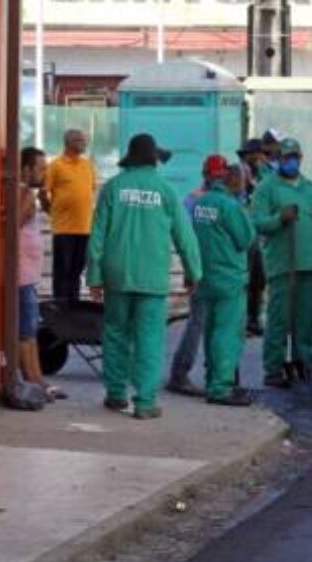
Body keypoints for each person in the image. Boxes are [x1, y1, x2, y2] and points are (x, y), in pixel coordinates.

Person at [87, 134, 202, 420]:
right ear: (153, 160)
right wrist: (193, 272)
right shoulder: (166, 191)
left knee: (115, 335)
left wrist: (94, 276)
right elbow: (185, 237)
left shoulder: (113, 188)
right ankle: (145, 402)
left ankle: (115, 395)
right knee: (149, 339)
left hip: (117, 275)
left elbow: (97, 235)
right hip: (152, 277)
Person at [253, 138, 312, 389]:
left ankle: (304, 364)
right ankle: (274, 369)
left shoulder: (311, 190)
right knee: (279, 320)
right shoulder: (266, 188)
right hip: (282, 265)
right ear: (278, 159)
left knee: (305, 321)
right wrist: (279, 218)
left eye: (295, 157)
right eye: (286, 157)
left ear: (300, 158)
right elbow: (256, 223)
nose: (291, 161)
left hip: (308, 265)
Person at [190, 157, 258, 406]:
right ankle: (221, 388)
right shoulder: (230, 206)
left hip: (206, 277)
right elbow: (245, 239)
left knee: (211, 332)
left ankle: (212, 381)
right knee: (227, 334)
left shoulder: (200, 204)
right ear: (230, 178)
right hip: (229, 278)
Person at [165, 159, 227, 397]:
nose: (219, 179)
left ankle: (215, 373)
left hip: (219, 269)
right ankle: (179, 374)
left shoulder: (224, 200)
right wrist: (190, 271)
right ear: (205, 174)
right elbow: (186, 238)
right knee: (198, 322)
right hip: (203, 269)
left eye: (222, 175)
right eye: (215, 175)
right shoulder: (193, 200)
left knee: (215, 323)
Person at [17, 147, 63, 400]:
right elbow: (15, 224)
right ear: (26, 169)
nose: (44, 173)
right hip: (21, 275)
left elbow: (50, 211)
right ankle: (33, 379)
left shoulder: (31, 194)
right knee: (26, 330)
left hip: (28, 275)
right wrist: (28, 198)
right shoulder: (23, 194)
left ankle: (38, 378)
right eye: (40, 168)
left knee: (31, 330)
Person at [45, 128, 97, 303]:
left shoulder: (88, 165)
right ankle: (59, 308)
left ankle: (73, 307)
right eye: (79, 140)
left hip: (85, 228)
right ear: (68, 142)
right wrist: (51, 211)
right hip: (63, 229)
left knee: (76, 272)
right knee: (62, 272)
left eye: (84, 140)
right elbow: (43, 193)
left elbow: (92, 190)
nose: (84, 143)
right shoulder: (55, 165)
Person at [238, 138, 268, 337]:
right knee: (245, 280)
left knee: (260, 278)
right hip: (243, 234)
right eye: (255, 154)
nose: (259, 159)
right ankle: (244, 320)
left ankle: (255, 318)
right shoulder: (238, 174)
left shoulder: (265, 175)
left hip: (261, 235)